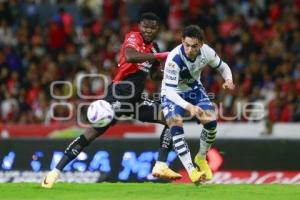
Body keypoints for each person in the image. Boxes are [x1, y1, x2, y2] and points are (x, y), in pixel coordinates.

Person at [41, 12, 181, 189]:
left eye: (152, 28)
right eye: (145, 26)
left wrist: (174, 73)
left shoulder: (154, 48)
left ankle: (161, 164)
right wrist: (160, 56)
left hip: (136, 101)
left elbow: (153, 75)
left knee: (172, 118)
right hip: (118, 95)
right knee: (90, 134)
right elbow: (130, 56)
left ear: (157, 29)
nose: (148, 30)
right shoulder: (132, 38)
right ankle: (54, 172)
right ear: (139, 26)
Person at [160, 25, 235, 184]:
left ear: (200, 44)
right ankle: (191, 170)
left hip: (194, 89)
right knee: (175, 122)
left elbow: (223, 66)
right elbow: (171, 92)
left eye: (194, 46)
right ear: (182, 41)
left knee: (211, 123)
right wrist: (189, 107)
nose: (189, 49)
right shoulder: (174, 59)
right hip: (172, 93)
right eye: (186, 45)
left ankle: (201, 158)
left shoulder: (206, 52)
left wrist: (228, 79)